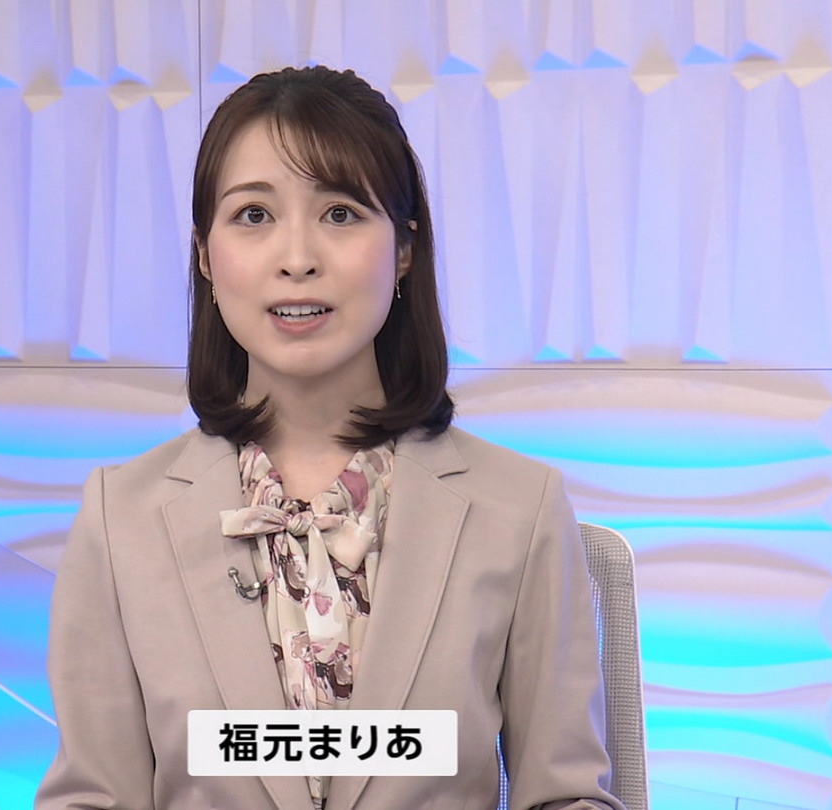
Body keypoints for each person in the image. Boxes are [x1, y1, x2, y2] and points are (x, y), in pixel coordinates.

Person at [36, 65, 621, 810]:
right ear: (206, 256)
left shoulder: (521, 509)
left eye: (340, 213)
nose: (298, 257)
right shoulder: (121, 519)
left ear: (404, 249)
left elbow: (566, 796)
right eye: (254, 215)